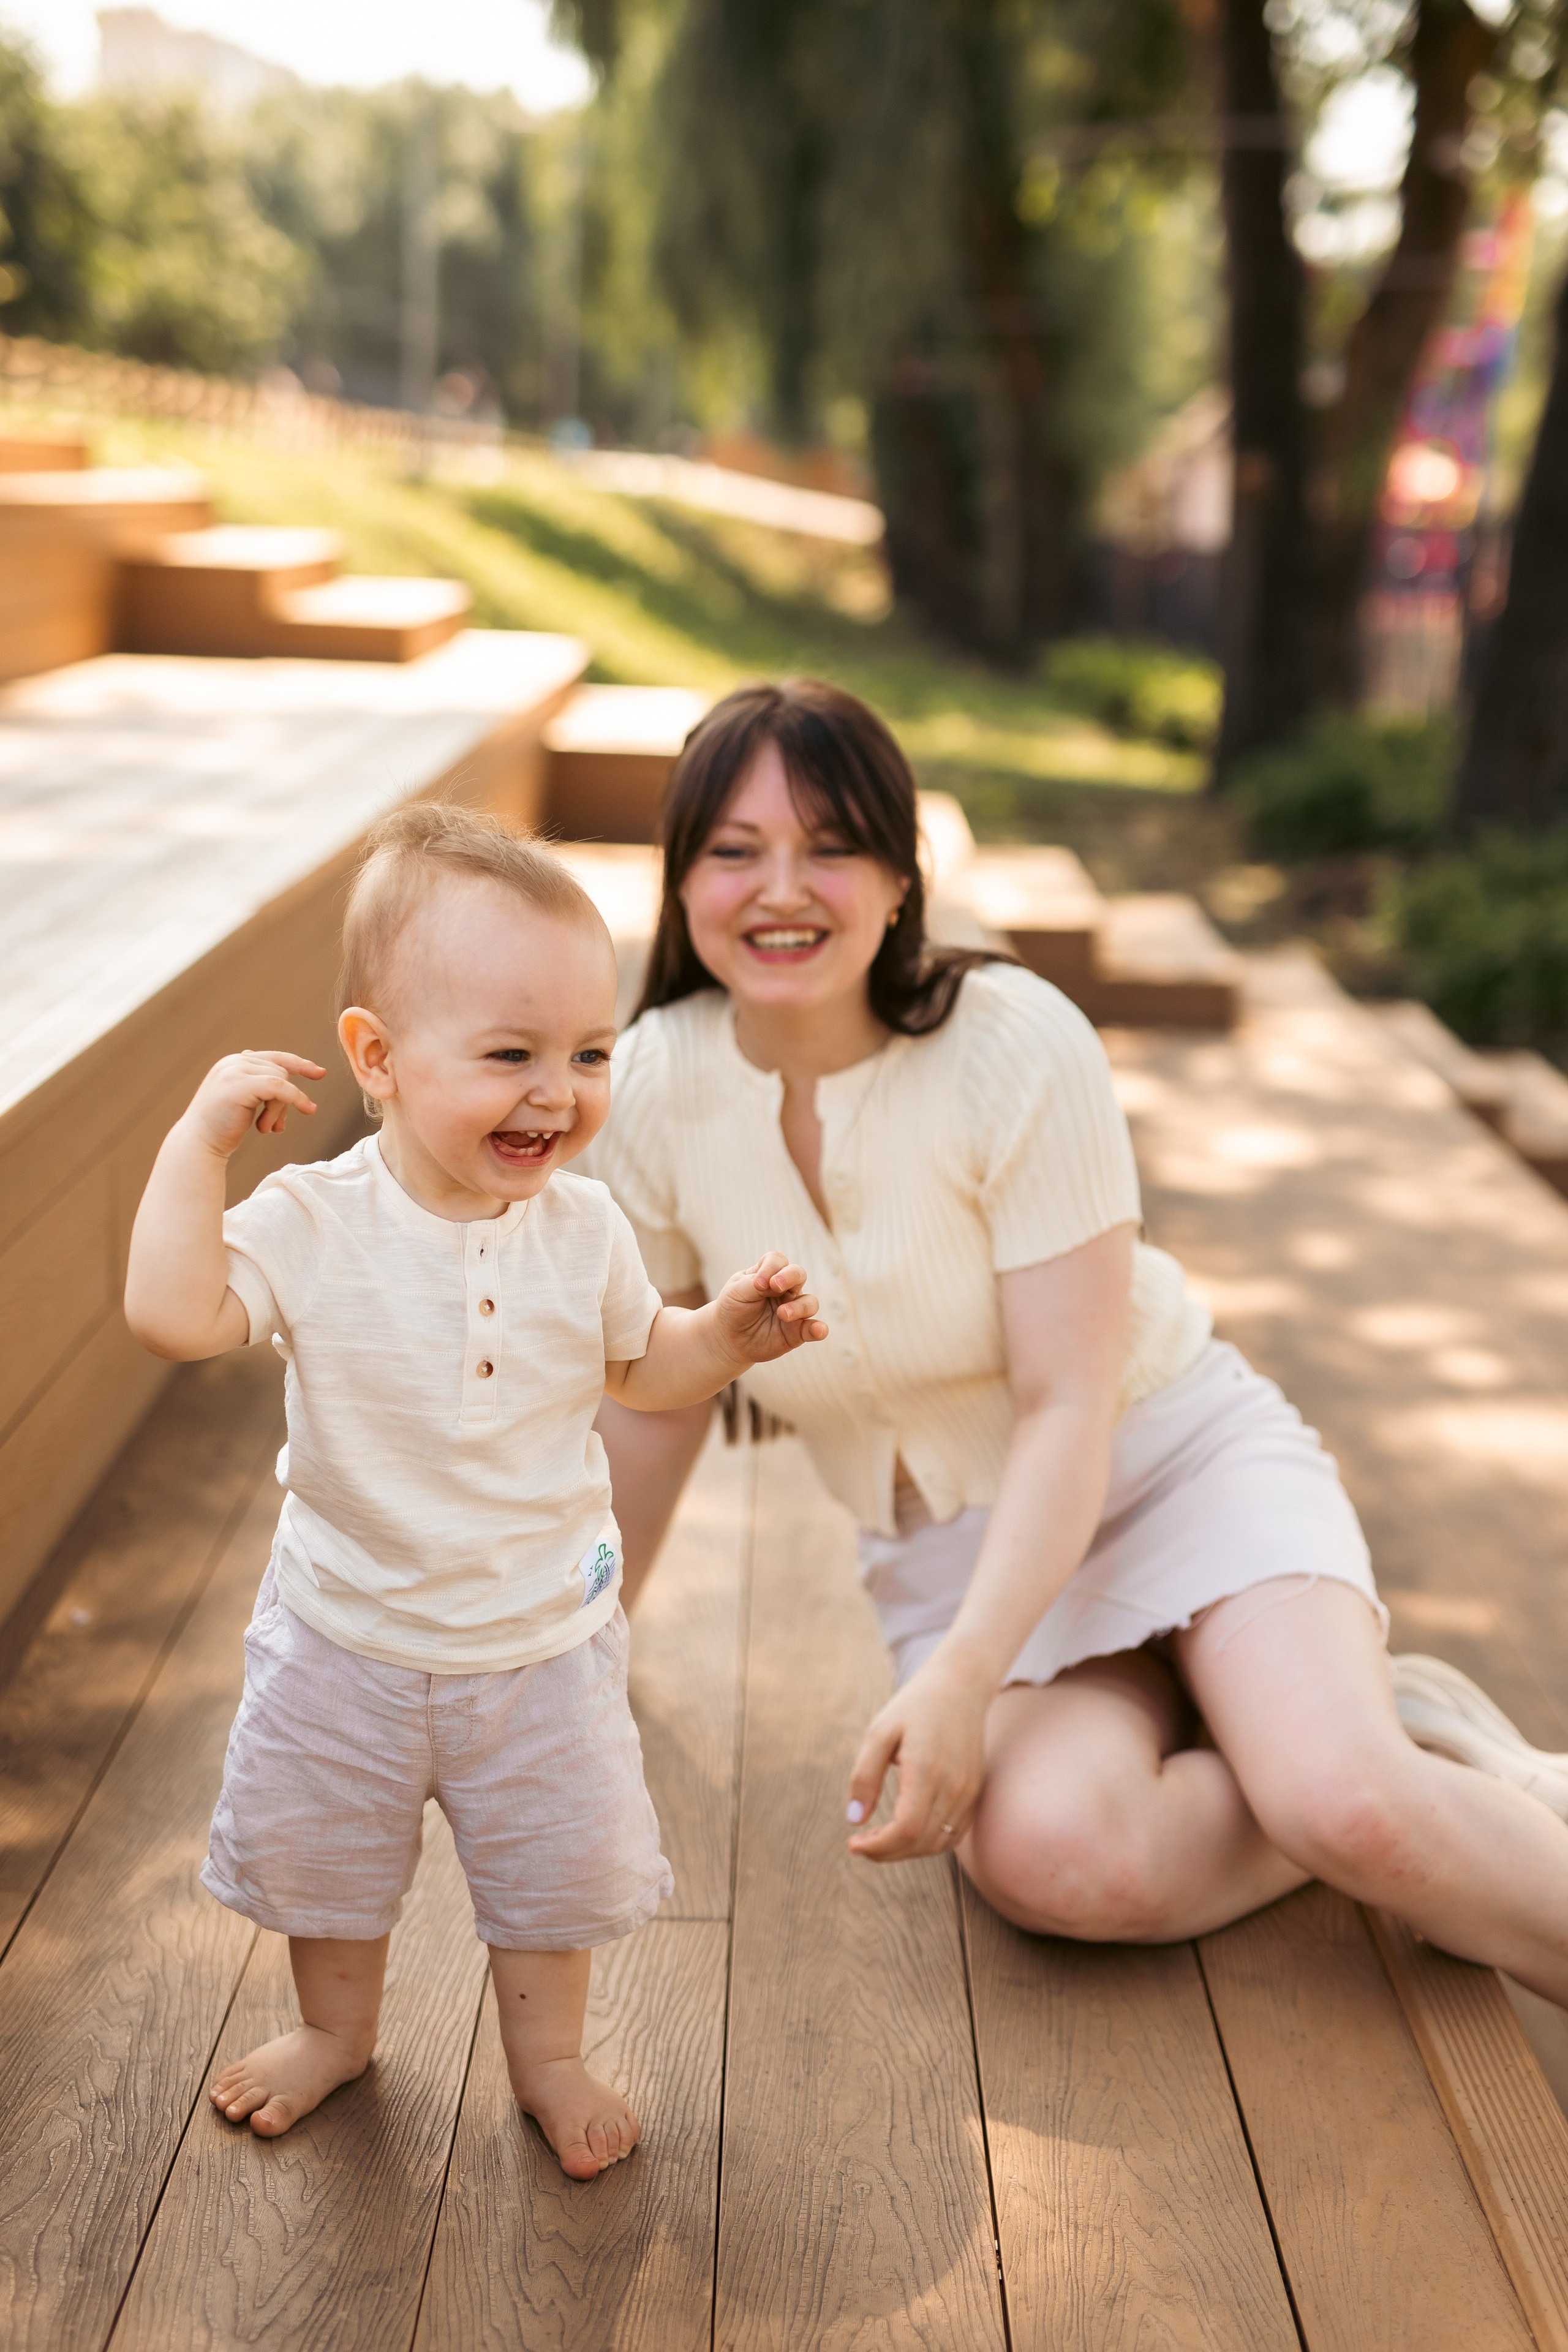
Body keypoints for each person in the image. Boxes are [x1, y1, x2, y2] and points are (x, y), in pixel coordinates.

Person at [586, 677, 1568, 2002]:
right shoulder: (650, 1083)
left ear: (895, 876)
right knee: (1058, 1861)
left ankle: (1344, 1751)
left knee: (1351, 1810)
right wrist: (580, 1654)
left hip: (1169, 1469)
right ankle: (1381, 1726)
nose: (782, 889)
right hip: (948, 1550)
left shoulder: (1011, 1044)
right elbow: (654, 1399)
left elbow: (1066, 1405)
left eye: (829, 845)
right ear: (681, 882)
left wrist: (963, 1680)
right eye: (734, 851)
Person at [123, 804, 826, 2177]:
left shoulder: (586, 1226)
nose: (555, 1092)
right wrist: (195, 1149)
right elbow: (173, 1314)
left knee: (548, 1878)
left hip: (540, 1647)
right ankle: (335, 2035)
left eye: (586, 1052)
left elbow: (644, 1365)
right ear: (376, 1060)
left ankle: (547, 2059)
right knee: (327, 1868)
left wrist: (723, 1336)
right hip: (347, 1639)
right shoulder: (315, 1223)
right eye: (508, 1055)